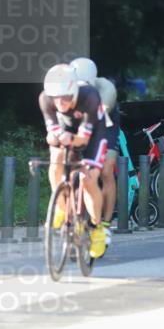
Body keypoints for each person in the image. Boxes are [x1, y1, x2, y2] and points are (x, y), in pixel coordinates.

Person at [39, 63, 109, 258]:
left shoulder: (90, 97)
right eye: (56, 99)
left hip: (95, 133)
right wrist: (56, 138)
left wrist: (67, 140)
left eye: (66, 98)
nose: (60, 103)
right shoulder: (45, 99)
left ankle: (96, 228)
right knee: (56, 157)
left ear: (74, 91)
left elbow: (82, 140)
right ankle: (61, 206)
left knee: (88, 179)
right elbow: (53, 134)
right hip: (67, 128)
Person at [70, 57, 118, 245]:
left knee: (106, 170)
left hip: (105, 121)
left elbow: (99, 118)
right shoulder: (68, 85)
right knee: (72, 168)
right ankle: (75, 216)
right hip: (79, 120)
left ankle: (105, 223)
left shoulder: (107, 89)